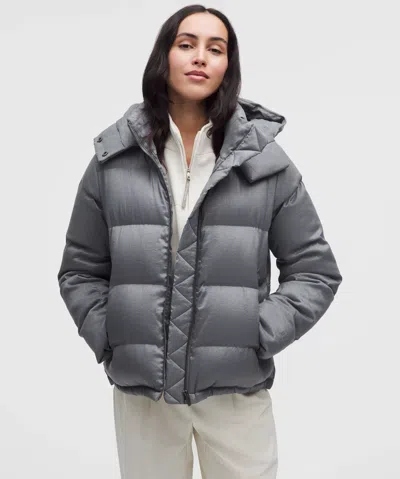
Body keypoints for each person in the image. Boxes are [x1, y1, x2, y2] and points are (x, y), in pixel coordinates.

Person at [57, 4, 342, 478]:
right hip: (144, 397)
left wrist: (256, 332)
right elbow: (80, 270)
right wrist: (112, 336)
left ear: (229, 65)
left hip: (235, 393)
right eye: (186, 44)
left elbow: (315, 272)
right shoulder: (114, 160)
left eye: (216, 48)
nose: (200, 57)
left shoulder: (265, 164)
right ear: (163, 57)